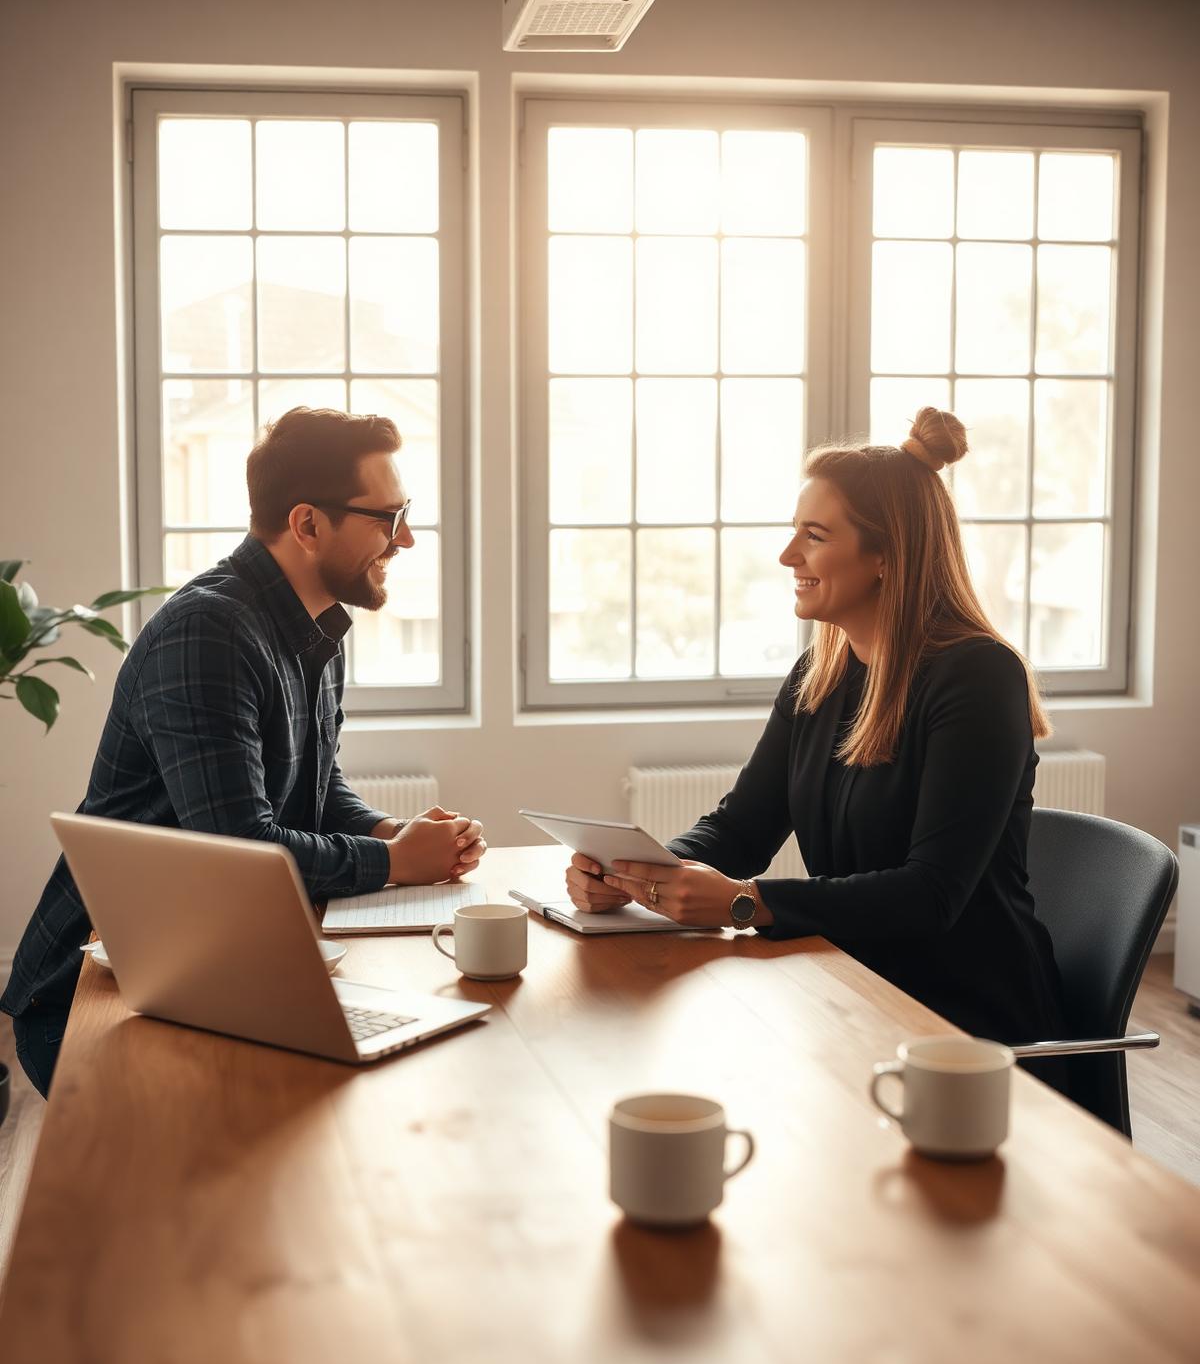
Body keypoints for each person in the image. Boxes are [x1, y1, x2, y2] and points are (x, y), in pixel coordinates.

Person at [3, 407, 486, 1096]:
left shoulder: (315, 623)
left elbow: (313, 793)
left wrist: (393, 833)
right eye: (388, 517)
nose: (404, 539)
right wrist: (395, 862)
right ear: (308, 524)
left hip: (205, 964)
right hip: (93, 992)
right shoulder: (209, 632)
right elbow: (237, 847)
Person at [566, 407, 1069, 1053]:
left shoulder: (976, 677)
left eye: (815, 536)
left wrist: (744, 903)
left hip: (966, 1026)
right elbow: (741, 828)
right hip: (851, 989)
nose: (787, 555)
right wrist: (640, 876)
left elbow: (930, 896)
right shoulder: (820, 673)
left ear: (886, 553)